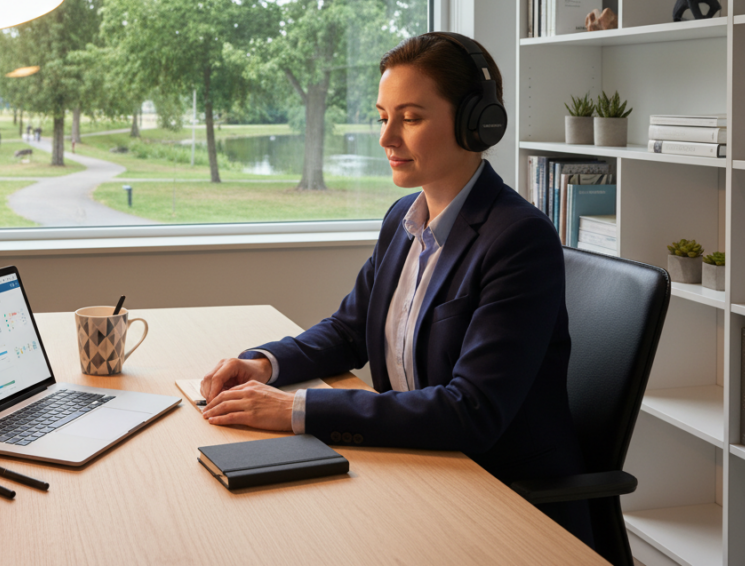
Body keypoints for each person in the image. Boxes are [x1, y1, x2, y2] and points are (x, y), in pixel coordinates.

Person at [199, 32, 593, 546]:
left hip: (498, 497)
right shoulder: (402, 221)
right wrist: (264, 365)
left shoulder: (518, 238)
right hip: (414, 466)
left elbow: (470, 411)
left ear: (477, 123)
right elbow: (348, 331)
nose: (386, 138)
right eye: (383, 116)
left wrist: (296, 411)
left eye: (410, 118)